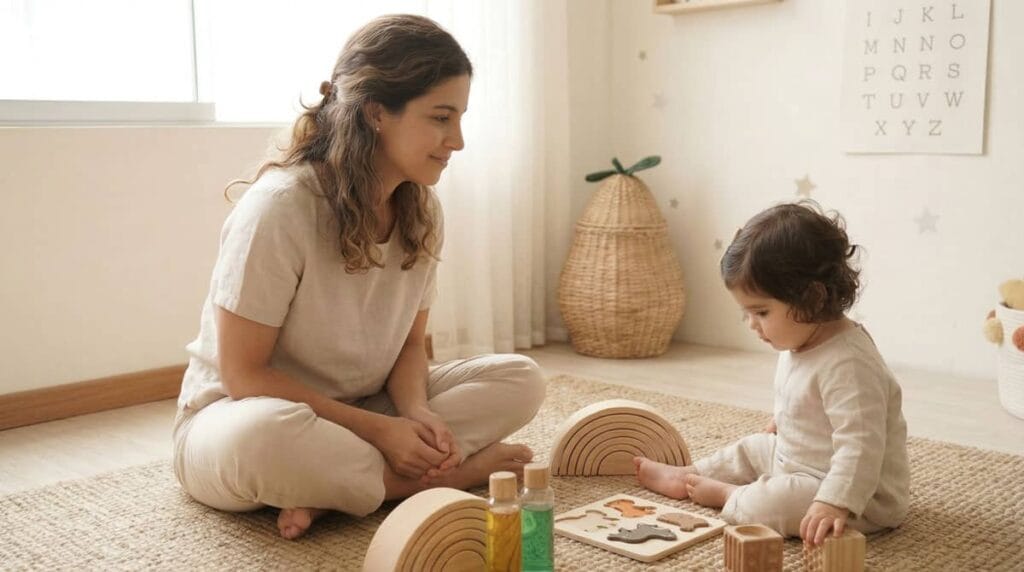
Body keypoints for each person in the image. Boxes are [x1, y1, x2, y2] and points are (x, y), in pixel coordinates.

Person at [172, 14, 545, 540]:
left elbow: (410, 345)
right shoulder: (281, 208)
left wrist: (414, 413)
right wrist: (382, 431)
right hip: (240, 417)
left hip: (364, 409)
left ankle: (336, 490)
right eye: (441, 117)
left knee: (520, 379)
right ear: (375, 112)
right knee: (262, 439)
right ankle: (431, 479)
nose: (457, 140)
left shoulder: (422, 210)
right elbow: (244, 376)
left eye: (460, 118)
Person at [634, 201, 910, 545]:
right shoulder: (802, 338)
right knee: (754, 448)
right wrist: (785, 419)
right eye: (748, 313)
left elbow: (862, 446)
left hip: (857, 496)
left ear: (812, 298)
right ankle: (691, 474)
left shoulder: (849, 364)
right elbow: (806, 397)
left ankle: (730, 495)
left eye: (761, 312)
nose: (752, 324)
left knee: (775, 503)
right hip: (798, 462)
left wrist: (833, 502)